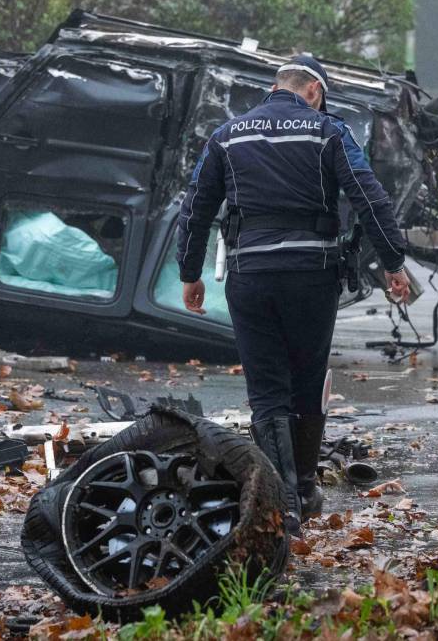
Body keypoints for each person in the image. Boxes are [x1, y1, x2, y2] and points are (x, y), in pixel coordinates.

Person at [176, 54, 411, 536]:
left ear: (277, 87)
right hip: (311, 276)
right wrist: (393, 263)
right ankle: (303, 490)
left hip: (251, 276)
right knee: (306, 383)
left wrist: (190, 272)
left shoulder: (228, 135)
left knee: (266, 392)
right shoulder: (328, 132)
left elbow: (196, 207)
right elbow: (369, 198)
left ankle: (282, 509)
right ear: (314, 92)